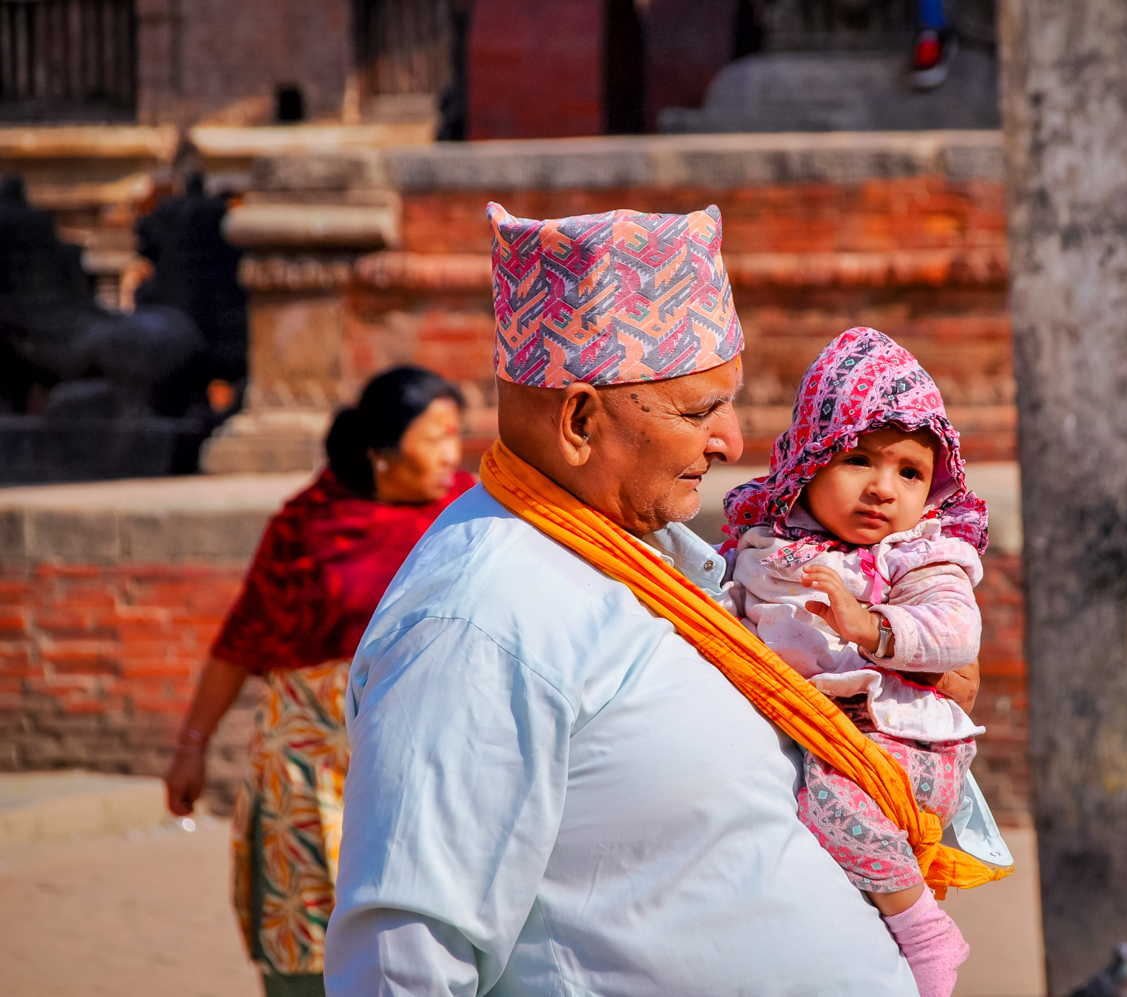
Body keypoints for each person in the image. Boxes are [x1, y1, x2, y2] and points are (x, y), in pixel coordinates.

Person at [324, 204, 1004, 996]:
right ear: (580, 419)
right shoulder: (479, 618)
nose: (733, 442)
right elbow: (401, 962)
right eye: (698, 410)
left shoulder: (659, 563)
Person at [163, 366, 471, 997]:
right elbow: (241, 637)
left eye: (455, 436)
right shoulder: (307, 523)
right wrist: (192, 745)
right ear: (382, 449)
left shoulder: (469, 518)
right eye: (436, 436)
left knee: (423, 941)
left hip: (425, 771)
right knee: (305, 950)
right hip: (307, 774)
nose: (452, 453)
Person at [721, 327, 1001, 997]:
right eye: (858, 461)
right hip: (824, 740)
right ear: (807, 461)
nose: (883, 489)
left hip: (900, 743)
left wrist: (869, 624)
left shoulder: (918, 556)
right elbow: (726, 612)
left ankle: (924, 930)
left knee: (823, 800)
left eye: (909, 472)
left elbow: (957, 631)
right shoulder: (764, 547)